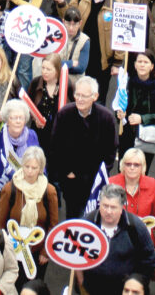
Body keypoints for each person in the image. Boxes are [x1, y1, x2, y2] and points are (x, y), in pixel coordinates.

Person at [49, 75, 118, 218]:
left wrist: (100, 175)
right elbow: (55, 147)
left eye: (84, 96)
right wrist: (66, 171)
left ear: (95, 96)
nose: (79, 99)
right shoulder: (64, 114)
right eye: (77, 94)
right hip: (70, 181)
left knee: (93, 219)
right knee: (73, 218)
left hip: (95, 182)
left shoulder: (106, 118)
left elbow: (110, 151)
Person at [52, 0, 122, 103]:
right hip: (80, 53)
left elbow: (121, 34)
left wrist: (117, 62)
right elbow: (69, 17)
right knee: (76, 95)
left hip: (102, 60)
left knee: (97, 99)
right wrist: (61, 3)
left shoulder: (117, 3)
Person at [80, 185, 155, 295]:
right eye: (105, 206)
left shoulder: (136, 227)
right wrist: (80, 281)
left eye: (113, 207)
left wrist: (135, 282)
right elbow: (75, 255)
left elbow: (149, 260)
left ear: (122, 208)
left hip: (123, 290)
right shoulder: (86, 224)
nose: (108, 211)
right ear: (99, 204)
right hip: (92, 289)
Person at [0, 145, 59, 278]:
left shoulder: (49, 191)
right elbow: (1, 224)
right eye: (27, 167)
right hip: (12, 252)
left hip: (37, 254)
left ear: (40, 169)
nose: (30, 171)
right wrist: (3, 249)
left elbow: (53, 225)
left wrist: (45, 252)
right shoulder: (10, 189)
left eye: (34, 168)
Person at [114, 52, 155, 170]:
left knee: (141, 170)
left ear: (152, 66)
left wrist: (142, 119)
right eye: (139, 62)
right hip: (128, 134)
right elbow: (119, 104)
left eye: (146, 62)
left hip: (147, 136)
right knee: (124, 169)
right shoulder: (127, 83)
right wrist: (119, 113)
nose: (142, 65)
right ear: (134, 64)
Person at [109, 148, 155, 255]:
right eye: (128, 164)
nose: (132, 168)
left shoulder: (151, 184)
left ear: (143, 167)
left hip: (142, 243)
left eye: (136, 165)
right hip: (117, 242)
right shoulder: (111, 183)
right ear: (122, 166)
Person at [0, 98, 41, 195]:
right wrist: (2, 177)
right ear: (7, 121)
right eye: (13, 118)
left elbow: (40, 162)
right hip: (5, 191)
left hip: (29, 190)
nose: (18, 121)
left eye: (21, 118)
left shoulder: (32, 136)